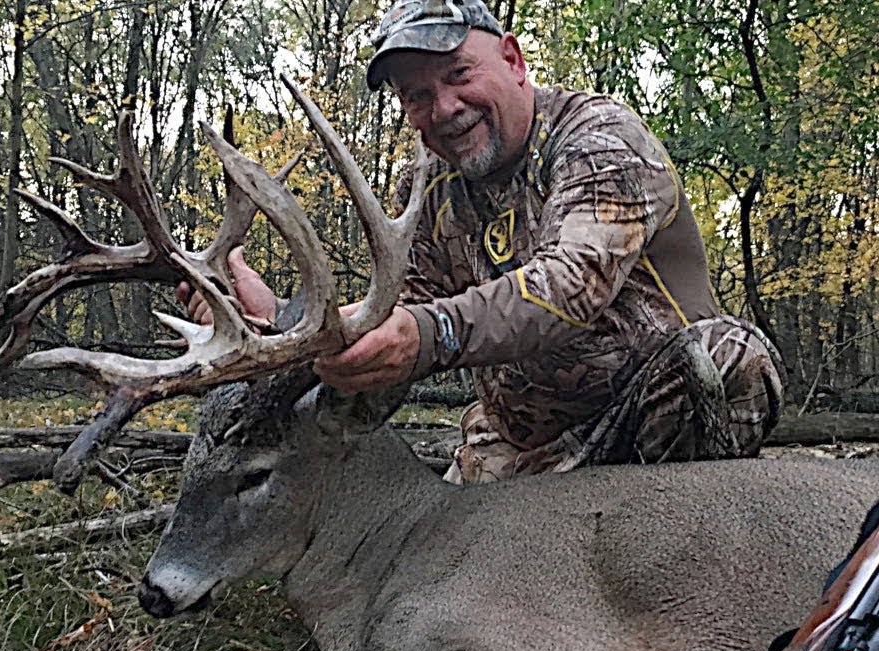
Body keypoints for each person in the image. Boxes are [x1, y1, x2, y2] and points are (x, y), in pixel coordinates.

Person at [184, 0, 786, 484]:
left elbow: (569, 286)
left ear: (513, 59)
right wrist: (284, 325)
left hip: (650, 425)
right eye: (417, 95)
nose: (444, 108)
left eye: (458, 75)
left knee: (729, 358)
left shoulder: (599, 139)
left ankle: (706, 529)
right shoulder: (432, 184)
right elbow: (399, 315)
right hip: (521, 450)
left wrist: (431, 335)